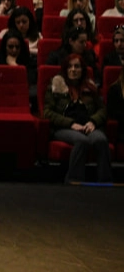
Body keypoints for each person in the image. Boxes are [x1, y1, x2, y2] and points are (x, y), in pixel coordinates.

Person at [42, 55, 113, 183]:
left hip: (87, 125)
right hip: (64, 127)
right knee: (82, 141)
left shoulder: (90, 86)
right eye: (70, 66)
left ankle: (105, 182)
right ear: (65, 69)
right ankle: (74, 181)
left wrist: (93, 121)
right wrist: (71, 124)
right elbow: (47, 113)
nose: (73, 70)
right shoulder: (56, 85)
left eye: (77, 66)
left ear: (82, 70)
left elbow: (102, 110)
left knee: (101, 140)